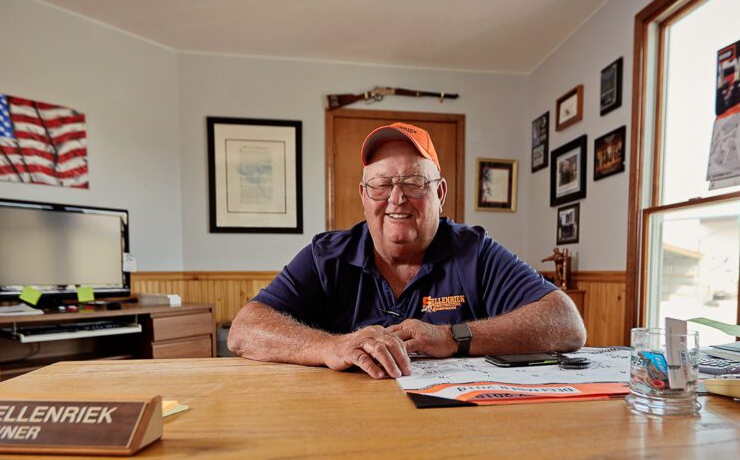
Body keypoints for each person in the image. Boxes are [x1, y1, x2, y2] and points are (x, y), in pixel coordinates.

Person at [228, 122, 586, 379]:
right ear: (363, 196)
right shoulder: (327, 255)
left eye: (414, 183)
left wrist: (450, 337)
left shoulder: (474, 251)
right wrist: (330, 347)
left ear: (440, 194)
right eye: (381, 184)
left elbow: (567, 324)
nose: (397, 198)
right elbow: (244, 331)